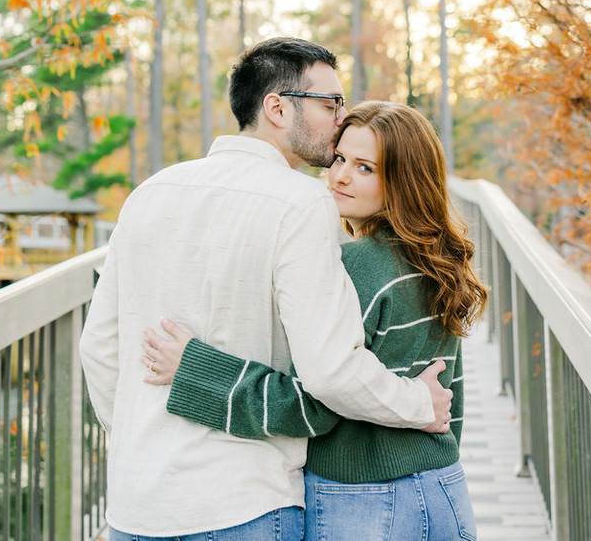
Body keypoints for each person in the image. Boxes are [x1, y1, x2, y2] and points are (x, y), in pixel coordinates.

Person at [79, 40, 454, 541]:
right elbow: (331, 371)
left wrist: (136, 442)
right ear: (277, 108)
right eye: (330, 104)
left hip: (136, 504)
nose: (340, 119)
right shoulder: (301, 204)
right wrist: (419, 404)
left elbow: (98, 346)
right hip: (244, 503)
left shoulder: (150, 192)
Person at [143, 101, 489, 540]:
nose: (339, 176)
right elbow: (448, 397)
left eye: (365, 168)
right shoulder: (437, 265)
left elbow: (316, 401)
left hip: (364, 501)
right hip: (444, 488)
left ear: (404, 180)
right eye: (340, 158)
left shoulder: (357, 266)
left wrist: (195, 370)